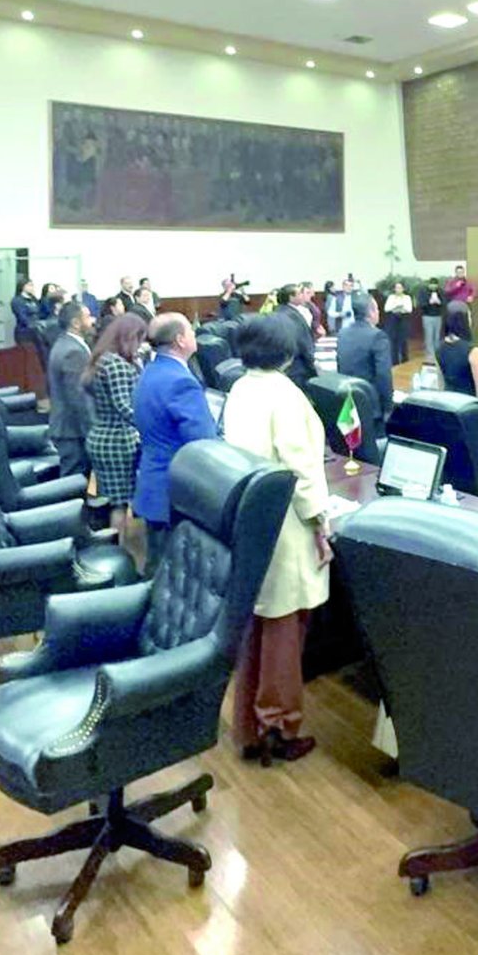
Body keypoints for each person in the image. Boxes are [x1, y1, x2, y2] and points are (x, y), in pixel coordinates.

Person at [222, 315, 331, 765]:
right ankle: (280, 727)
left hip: (251, 520)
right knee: (286, 629)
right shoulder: (286, 395)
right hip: (287, 525)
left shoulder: (239, 387)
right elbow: (301, 470)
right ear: (287, 351)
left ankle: (248, 725)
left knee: (258, 626)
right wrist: (321, 522)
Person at [132, 313, 217, 567]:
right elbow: (204, 444)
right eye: (191, 330)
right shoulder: (181, 381)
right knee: (172, 571)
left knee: (157, 564)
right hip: (175, 491)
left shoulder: (151, 371)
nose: (194, 334)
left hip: (152, 481)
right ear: (180, 340)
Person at [83, 314, 146, 555]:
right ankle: (117, 557)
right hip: (116, 442)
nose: (140, 345)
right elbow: (124, 406)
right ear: (129, 337)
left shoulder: (101, 359)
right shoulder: (117, 364)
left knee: (111, 502)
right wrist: (149, 425)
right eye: (139, 338)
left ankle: (110, 551)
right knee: (119, 505)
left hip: (101, 437)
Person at [47, 299, 94, 476]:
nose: (93, 320)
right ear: (75, 323)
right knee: (72, 482)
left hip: (69, 426)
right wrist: (92, 431)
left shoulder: (66, 344)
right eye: (88, 317)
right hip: (71, 430)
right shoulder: (73, 352)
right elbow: (79, 398)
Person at [337, 291, 394, 420]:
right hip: (371, 403)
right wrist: (388, 406)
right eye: (377, 309)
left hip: (348, 399)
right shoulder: (378, 336)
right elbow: (383, 374)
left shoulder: (343, 333)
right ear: (371, 312)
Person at [272, 285, 316, 393]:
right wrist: (312, 366)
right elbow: (303, 343)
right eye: (299, 293)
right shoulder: (293, 316)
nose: (302, 295)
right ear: (291, 297)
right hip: (297, 367)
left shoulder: (278, 311)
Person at [437, 302, 478, 397]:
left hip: (448, 403)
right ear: (464, 321)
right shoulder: (473, 351)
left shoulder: (439, 348)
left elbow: (440, 384)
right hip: (467, 405)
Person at [383, 281, 412, 366]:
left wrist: (402, 307)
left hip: (403, 318)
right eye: (396, 288)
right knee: (393, 340)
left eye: (400, 287)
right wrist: (395, 306)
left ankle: (405, 360)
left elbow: (409, 309)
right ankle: (394, 361)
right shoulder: (391, 297)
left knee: (403, 340)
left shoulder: (407, 297)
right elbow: (386, 309)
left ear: (403, 289)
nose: (398, 289)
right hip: (393, 318)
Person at [416, 278, 445, 363]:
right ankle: (430, 354)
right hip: (427, 316)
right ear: (428, 284)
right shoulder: (423, 291)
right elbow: (420, 304)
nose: (433, 286)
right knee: (429, 335)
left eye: (435, 284)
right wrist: (429, 302)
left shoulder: (441, 291)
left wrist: (439, 302)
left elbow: (445, 302)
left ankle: (437, 353)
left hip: (438, 316)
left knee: (437, 336)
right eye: (431, 284)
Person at [11, 277, 39, 343]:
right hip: (24, 331)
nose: (32, 287)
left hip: (36, 331)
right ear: (22, 286)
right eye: (29, 285)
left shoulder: (34, 299)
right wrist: (32, 324)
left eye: (32, 285)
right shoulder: (17, 300)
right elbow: (22, 316)